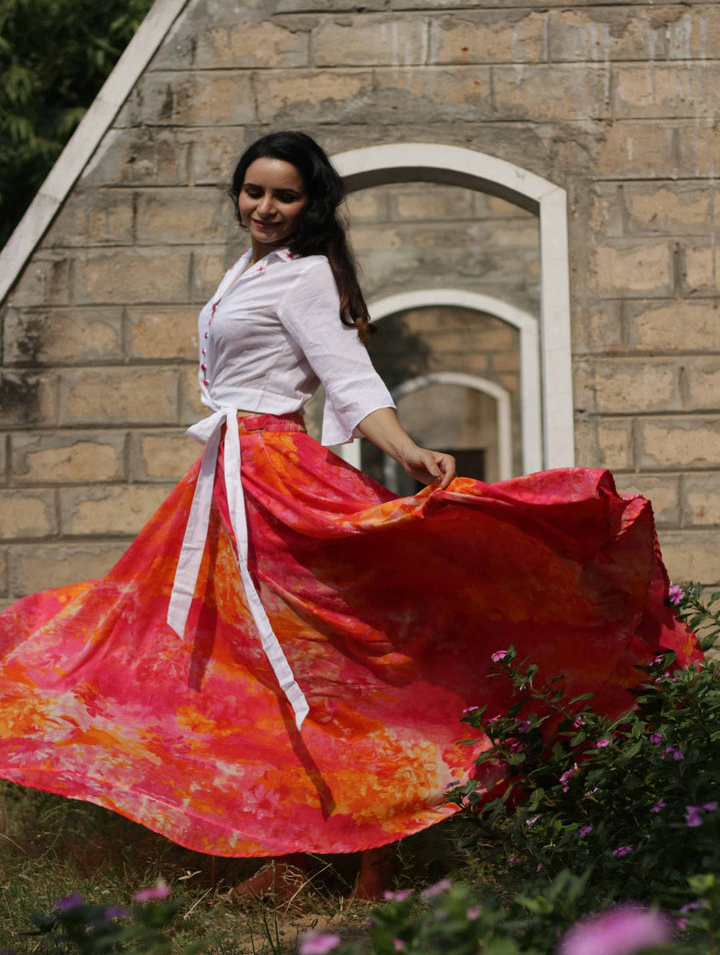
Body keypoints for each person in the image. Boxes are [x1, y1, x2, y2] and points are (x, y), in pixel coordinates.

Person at [0, 132, 700, 898]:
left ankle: (367, 847)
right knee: (229, 656)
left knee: (320, 658)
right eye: (254, 191)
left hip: (270, 479)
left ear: (312, 204)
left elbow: (350, 379)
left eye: (284, 196)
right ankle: (300, 844)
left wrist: (405, 451)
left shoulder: (303, 279)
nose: (265, 207)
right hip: (228, 479)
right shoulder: (253, 268)